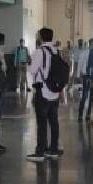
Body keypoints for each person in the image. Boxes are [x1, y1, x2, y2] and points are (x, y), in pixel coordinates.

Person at [25, 27, 63, 162]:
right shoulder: (56, 51)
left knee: (41, 123)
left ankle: (40, 152)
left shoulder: (40, 51)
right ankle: (53, 150)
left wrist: (28, 64)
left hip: (43, 92)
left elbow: (33, 70)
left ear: (41, 37)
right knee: (54, 122)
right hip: (55, 92)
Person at [77, 38, 93, 121]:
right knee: (84, 96)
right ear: (91, 44)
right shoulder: (84, 53)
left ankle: (88, 114)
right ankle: (80, 115)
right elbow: (80, 63)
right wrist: (78, 75)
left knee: (92, 97)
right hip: (86, 76)